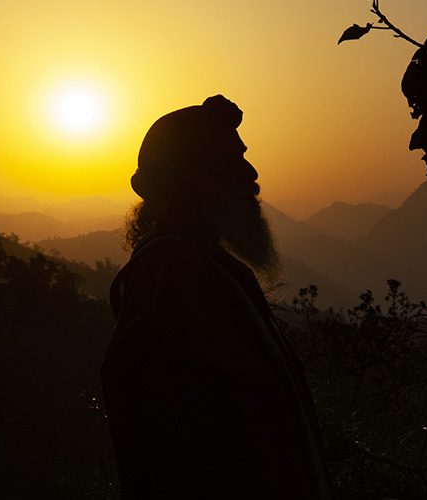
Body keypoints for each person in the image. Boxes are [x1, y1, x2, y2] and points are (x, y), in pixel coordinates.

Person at [100, 95, 332, 499]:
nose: (252, 173)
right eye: (232, 160)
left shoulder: (199, 264)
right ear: (189, 180)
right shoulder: (174, 274)